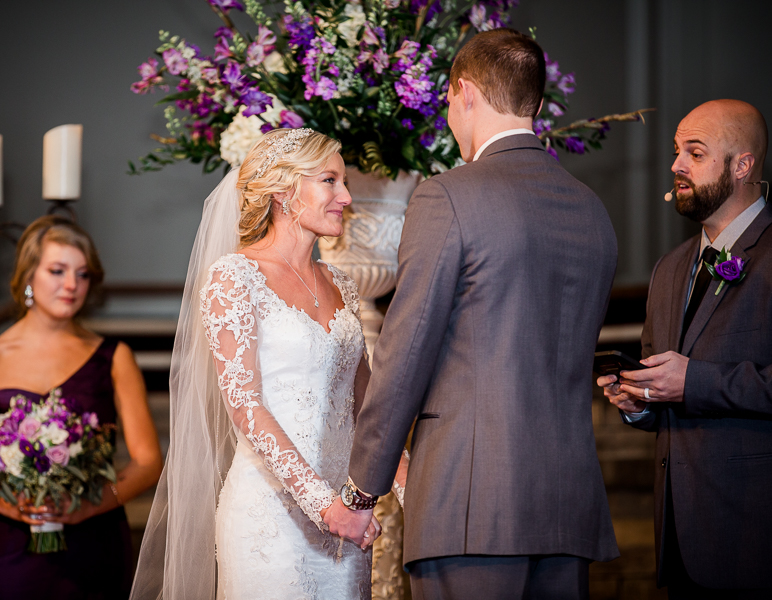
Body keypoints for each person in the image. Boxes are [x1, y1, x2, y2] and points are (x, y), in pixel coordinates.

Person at [325, 28, 620, 599]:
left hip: (470, 509)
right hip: (566, 506)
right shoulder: (591, 210)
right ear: (535, 103)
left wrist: (362, 491)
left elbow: (404, 355)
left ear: (463, 93)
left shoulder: (449, 197)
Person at [130, 128, 407, 599]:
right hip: (270, 520)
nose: (346, 196)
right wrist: (325, 507)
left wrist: (410, 489)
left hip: (349, 517)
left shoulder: (341, 282)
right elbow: (244, 405)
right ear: (284, 191)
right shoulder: (234, 276)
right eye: (330, 181)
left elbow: (368, 404)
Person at [0, 215, 163, 600]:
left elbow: (148, 462)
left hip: (93, 543)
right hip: (5, 547)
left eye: (83, 274)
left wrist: (85, 508)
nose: (72, 285)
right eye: (57, 271)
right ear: (28, 276)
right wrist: (9, 505)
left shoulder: (114, 357)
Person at [598, 99, 772, 598]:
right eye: (677, 151)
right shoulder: (670, 269)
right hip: (677, 540)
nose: (675, 164)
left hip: (753, 539)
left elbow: (696, 382)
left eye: (694, 153)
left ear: (742, 166)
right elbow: (666, 398)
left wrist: (691, 381)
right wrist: (639, 402)